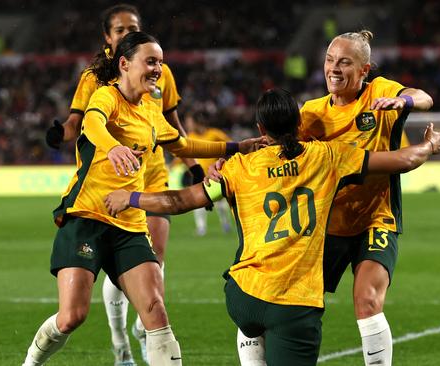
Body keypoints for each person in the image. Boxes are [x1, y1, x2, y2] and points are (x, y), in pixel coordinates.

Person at [104, 88, 440, 366]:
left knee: (251, 321)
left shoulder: (238, 167)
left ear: (260, 128)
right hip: (294, 304)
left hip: (243, 297)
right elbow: (403, 160)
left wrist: (131, 198)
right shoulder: (326, 157)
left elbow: (178, 201)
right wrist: (429, 145)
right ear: (300, 123)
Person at [21, 31, 262, 366]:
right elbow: (92, 123)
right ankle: (30, 362)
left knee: (155, 312)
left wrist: (237, 146)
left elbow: (182, 144)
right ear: (124, 64)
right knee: (71, 317)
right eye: (151, 61)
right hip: (87, 217)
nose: (157, 69)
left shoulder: (150, 109)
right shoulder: (106, 96)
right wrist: (113, 147)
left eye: (161, 63)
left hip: (130, 225)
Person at [232, 30, 435, 365]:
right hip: (324, 227)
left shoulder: (380, 93)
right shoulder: (310, 114)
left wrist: (405, 102)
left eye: (345, 62)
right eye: (329, 60)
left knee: (367, 300)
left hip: (375, 219)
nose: (334, 68)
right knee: (273, 295)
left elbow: (423, 96)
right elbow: (274, 150)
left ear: (364, 70)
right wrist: (227, 164)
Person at [44, 4, 204, 364]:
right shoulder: (95, 80)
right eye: (118, 30)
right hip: (109, 176)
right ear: (108, 38)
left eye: (131, 28)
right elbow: (81, 122)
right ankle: (122, 346)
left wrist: (193, 164)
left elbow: (173, 127)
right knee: (105, 284)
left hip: (152, 169)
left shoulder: (160, 72)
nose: (124, 34)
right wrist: (62, 134)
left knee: (154, 264)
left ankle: (146, 328)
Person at [184, 110, 232, 236]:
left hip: (215, 175)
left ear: (196, 122)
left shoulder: (214, 134)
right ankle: (201, 228)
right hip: (199, 177)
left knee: (221, 203)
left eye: (190, 122)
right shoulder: (190, 136)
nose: (188, 124)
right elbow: (183, 154)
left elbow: (230, 144)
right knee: (198, 203)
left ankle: (226, 224)